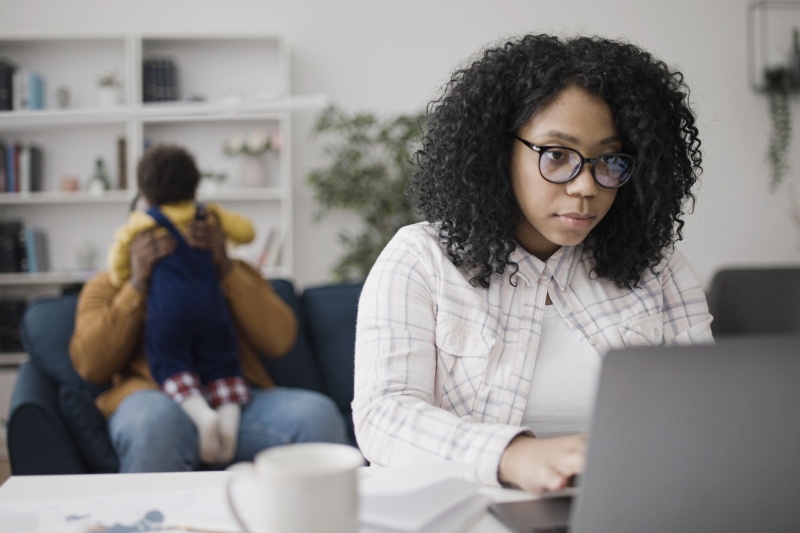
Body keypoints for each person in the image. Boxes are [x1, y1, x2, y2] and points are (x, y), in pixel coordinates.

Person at [352, 35, 714, 495]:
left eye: (609, 160)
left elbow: (706, 410)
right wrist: (512, 455)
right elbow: (384, 415)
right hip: (473, 513)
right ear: (499, 153)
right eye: (557, 155)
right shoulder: (421, 258)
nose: (586, 186)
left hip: (634, 506)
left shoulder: (657, 267)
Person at [70, 161, 348, 474]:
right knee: (155, 422)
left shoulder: (232, 271)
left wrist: (224, 267)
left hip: (236, 402)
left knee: (317, 415)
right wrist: (136, 285)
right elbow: (91, 365)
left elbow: (280, 339)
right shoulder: (107, 284)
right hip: (151, 398)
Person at [106, 145, 257, 465]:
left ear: (145, 190)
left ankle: (204, 418)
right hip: (211, 308)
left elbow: (116, 267)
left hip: (170, 311)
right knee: (223, 362)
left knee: (169, 361)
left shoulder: (142, 223)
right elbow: (247, 232)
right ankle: (228, 424)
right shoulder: (209, 215)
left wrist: (129, 277)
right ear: (195, 184)